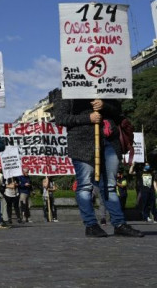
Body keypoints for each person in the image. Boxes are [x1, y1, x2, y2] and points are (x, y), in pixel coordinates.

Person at [55, 96, 143, 237]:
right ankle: (91, 225)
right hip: (82, 145)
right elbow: (61, 118)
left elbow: (118, 111)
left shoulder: (105, 89)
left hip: (109, 142)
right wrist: (87, 118)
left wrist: (104, 105)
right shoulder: (67, 90)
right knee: (85, 185)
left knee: (110, 185)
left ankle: (119, 223)